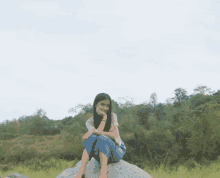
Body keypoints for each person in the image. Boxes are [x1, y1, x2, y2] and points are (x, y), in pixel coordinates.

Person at [73, 93, 126, 178]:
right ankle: (81, 171)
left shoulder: (112, 116)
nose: (105, 108)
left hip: (117, 150)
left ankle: (103, 173)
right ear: (95, 105)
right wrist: (96, 131)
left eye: (107, 106)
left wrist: (104, 118)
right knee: (94, 137)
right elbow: (86, 138)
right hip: (100, 152)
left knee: (100, 137)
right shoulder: (90, 121)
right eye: (102, 104)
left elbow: (114, 136)